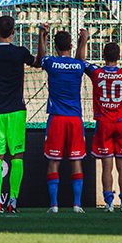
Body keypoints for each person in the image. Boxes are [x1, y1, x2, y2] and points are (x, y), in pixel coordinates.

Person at [0, 14, 37, 214]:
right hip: (17, 111)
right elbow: (37, 62)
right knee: (17, 156)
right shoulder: (20, 52)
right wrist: (43, 38)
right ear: (13, 31)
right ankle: (13, 200)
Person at [34, 25, 93, 213]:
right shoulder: (79, 65)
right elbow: (80, 58)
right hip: (75, 119)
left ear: (56, 47)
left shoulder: (51, 63)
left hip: (56, 119)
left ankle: (54, 205)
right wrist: (84, 40)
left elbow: (40, 58)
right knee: (76, 161)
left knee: (53, 162)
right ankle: (77, 205)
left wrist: (41, 37)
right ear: (70, 45)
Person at [89, 38, 122, 212]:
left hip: (104, 124)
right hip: (121, 124)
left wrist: (83, 40)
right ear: (119, 56)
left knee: (107, 166)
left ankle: (109, 203)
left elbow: (81, 62)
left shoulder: (96, 73)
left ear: (103, 55)